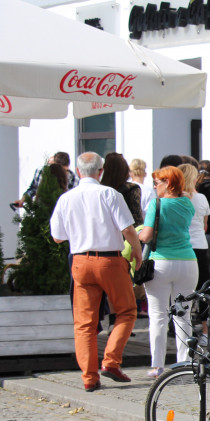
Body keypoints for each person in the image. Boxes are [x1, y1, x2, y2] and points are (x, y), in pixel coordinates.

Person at [49, 152, 141, 392]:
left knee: (84, 324)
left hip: (80, 260)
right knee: (127, 311)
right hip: (110, 260)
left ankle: (89, 377)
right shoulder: (109, 193)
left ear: (78, 172)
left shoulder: (66, 198)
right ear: (100, 171)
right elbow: (128, 229)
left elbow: (58, 237)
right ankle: (110, 360)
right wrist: (137, 251)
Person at [141, 166, 198, 378]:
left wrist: (138, 234)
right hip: (187, 261)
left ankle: (158, 366)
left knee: (158, 316)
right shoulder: (187, 203)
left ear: (168, 183)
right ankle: (184, 363)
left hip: (161, 262)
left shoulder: (156, 205)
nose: (155, 186)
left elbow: (146, 235)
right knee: (183, 314)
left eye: (157, 182)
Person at [178, 164, 210, 294]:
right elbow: (205, 225)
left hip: (180, 245)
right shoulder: (201, 198)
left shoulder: (174, 199)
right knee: (203, 284)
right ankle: (204, 313)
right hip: (199, 244)